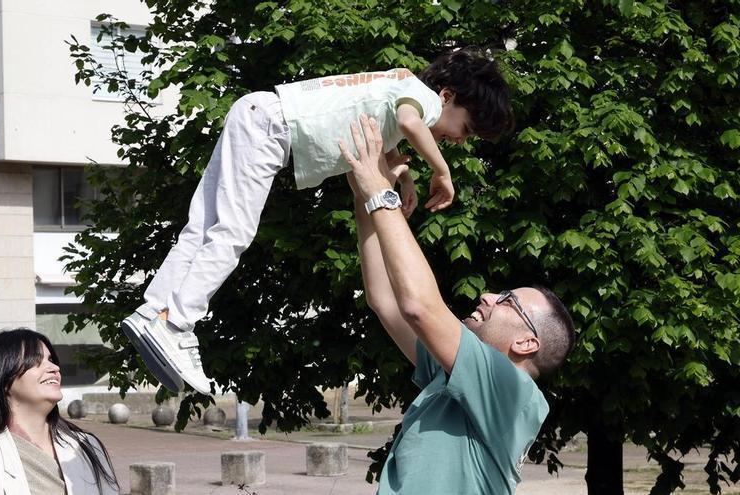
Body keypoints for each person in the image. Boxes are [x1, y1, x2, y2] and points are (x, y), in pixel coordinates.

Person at [122, 47, 515, 394]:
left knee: (203, 227)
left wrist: (405, 177)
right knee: (233, 232)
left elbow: (383, 153)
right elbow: (413, 124)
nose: (460, 140)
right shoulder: (424, 101)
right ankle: (177, 326)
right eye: (464, 129)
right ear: (448, 96)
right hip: (270, 130)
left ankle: (155, 311)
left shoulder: (397, 91)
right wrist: (441, 171)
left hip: (258, 113)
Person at [338, 115, 575, 494]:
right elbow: (385, 300)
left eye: (508, 300)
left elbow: (420, 306)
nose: (488, 296)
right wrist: (364, 195)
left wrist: (380, 192)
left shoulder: (512, 390)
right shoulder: (454, 378)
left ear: (527, 344)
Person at [0, 328, 119, 495]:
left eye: (51, 360)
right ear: (4, 380)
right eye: (36, 361)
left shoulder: (87, 447)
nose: (54, 368)